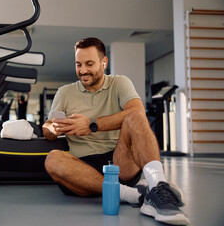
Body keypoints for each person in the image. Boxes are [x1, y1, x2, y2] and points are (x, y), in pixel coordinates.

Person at [42, 37, 189, 225]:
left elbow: (137, 111)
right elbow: (46, 127)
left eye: (89, 64)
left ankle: (158, 185)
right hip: (83, 167)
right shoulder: (64, 92)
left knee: (135, 115)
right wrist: (53, 128)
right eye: (78, 64)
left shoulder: (119, 83)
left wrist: (91, 125)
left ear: (104, 63)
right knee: (53, 159)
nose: (83, 70)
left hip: (120, 161)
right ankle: (135, 194)